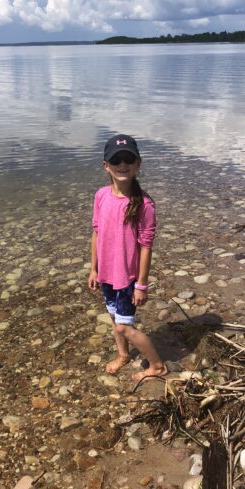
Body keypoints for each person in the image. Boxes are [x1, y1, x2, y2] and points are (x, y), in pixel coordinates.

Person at [88, 134, 168, 381]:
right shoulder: (101, 195)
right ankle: (123, 355)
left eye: (128, 159)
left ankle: (157, 366)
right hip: (106, 274)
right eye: (116, 160)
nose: (122, 164)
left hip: (128, 278)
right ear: (106, 165)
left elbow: (146, 247)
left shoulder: (144, 204)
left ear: (138, 163)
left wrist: (141, 285)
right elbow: (96, 233)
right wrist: (94, 269)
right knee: (114, 317)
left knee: (124, 326)